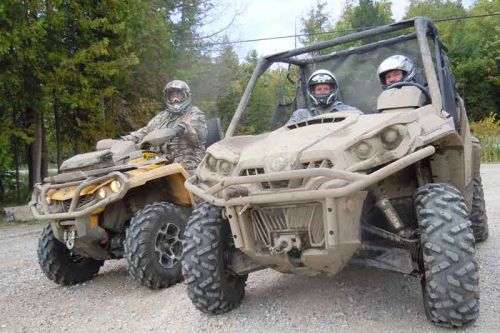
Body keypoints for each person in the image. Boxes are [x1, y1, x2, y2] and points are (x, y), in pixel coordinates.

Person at [120, 80, 207, 174]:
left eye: (179, 96)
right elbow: (145, 131)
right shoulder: (163, 116)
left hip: (188, 163)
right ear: (167, 98)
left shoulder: (195, 114)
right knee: (135, 171)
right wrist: (125, 139)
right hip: (161, 161)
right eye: (172, 96)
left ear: (186, 96)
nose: (175, 100)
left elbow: (191, 126)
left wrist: (179, 129)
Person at [287, 69, 359, 124]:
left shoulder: (348, 111)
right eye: (318, 89)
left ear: (332, 90)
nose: (322, 91)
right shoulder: (301, 115)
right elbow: (286, 134)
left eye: (326, 89)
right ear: (312, 92)